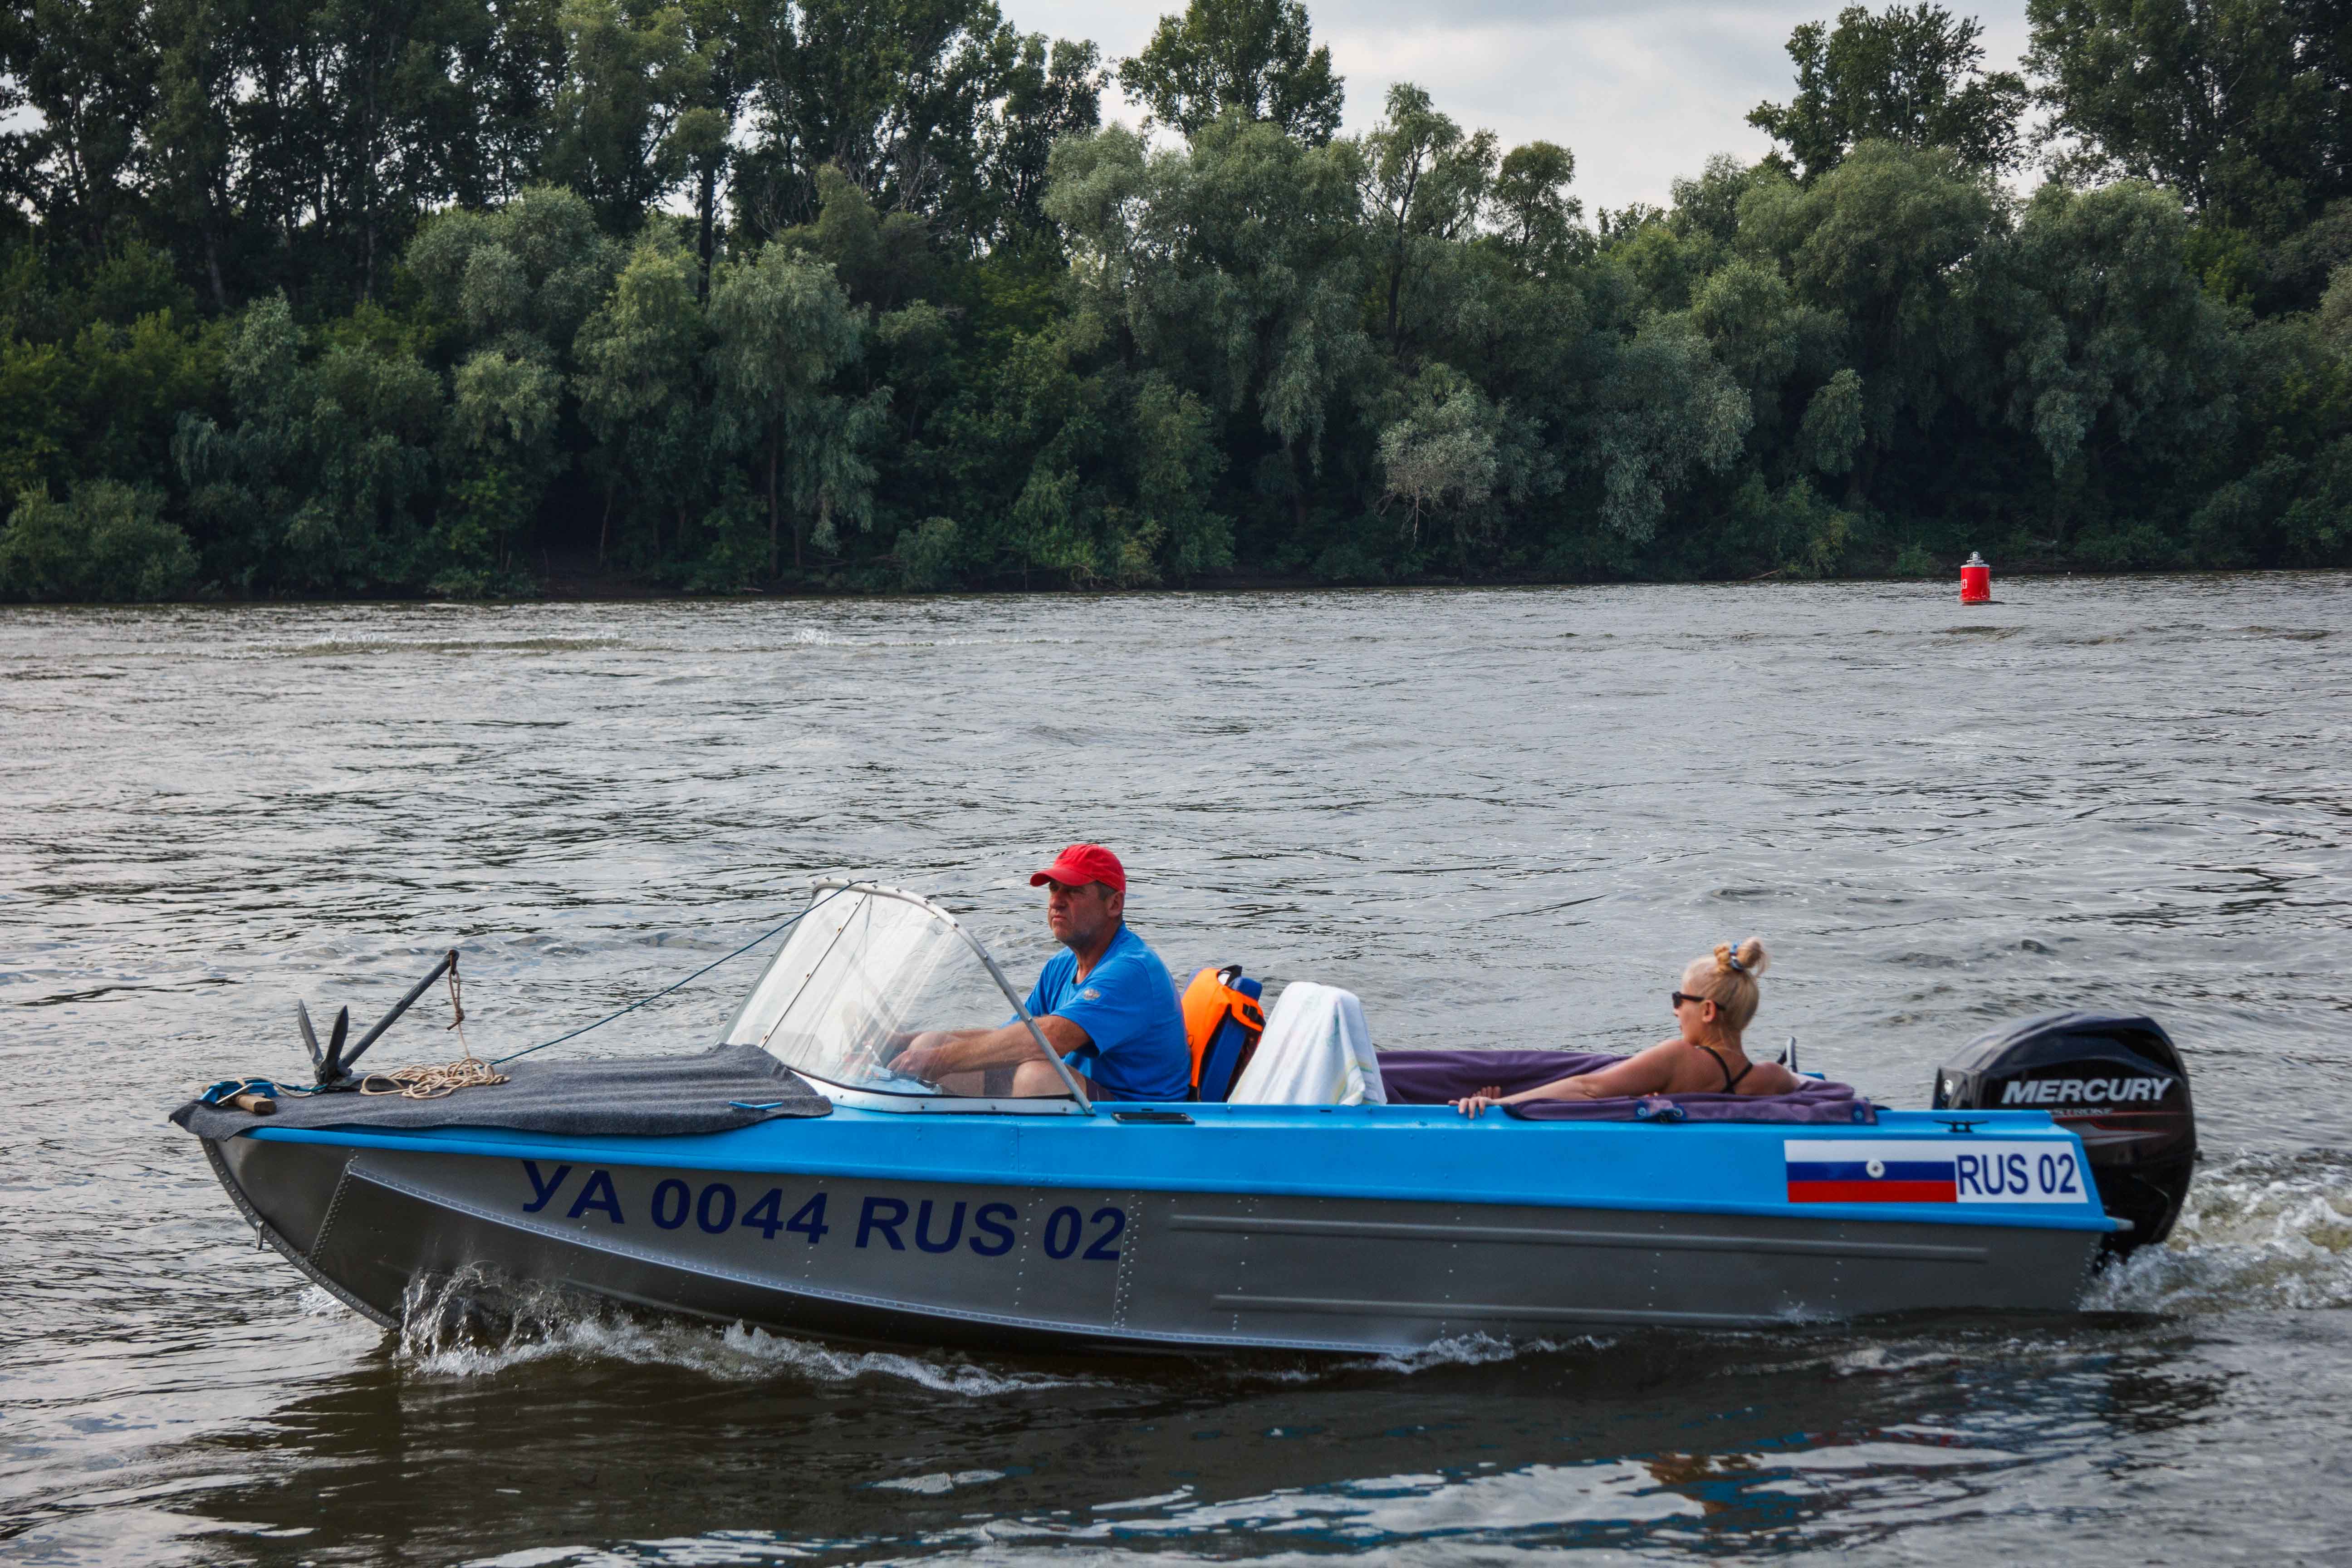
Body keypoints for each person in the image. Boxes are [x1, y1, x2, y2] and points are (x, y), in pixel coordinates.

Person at [891, 843, 1192, 1102]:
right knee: (931, 1043)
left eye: (1073, 891)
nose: (1056, 901)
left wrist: (942, 1061)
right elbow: (1012, 1036)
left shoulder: (1131, 970)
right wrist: (903, 1043)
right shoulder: (1061, 965)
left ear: (1114, 904)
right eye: (1053, 889)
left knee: (1036, 1077)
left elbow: (1051, 1039)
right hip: (1091, 1109)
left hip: (1141, 1124)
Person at [1453, 938, 1796, 1117]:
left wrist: (1503, 1105)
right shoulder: (1774, 1079)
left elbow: (1587, 1089)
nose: (1676, 1011)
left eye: (1680, 999)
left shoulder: (1678, 1057)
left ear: (1707, 1011)